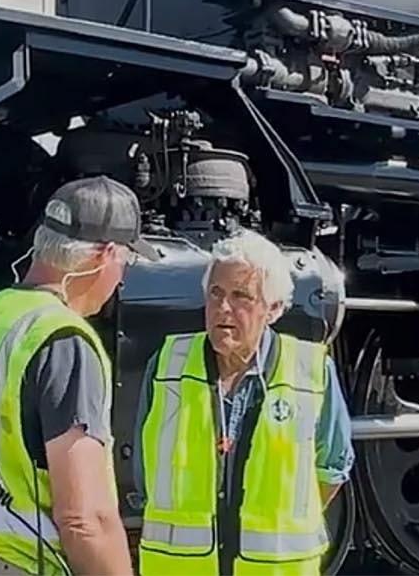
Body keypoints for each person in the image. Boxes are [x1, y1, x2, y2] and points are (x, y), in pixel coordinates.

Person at [0, 175, 159, 576]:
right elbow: (85, 520)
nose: (122, 278)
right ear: (104, 255)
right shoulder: (61, 339)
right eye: (126, 261)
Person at [132, 227, 354, 576]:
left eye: (241, 296)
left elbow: (332, 468)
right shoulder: (166, 364)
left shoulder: (312, 371)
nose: (223, 307)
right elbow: (145, 473)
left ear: (274, 308)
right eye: (216, 293)